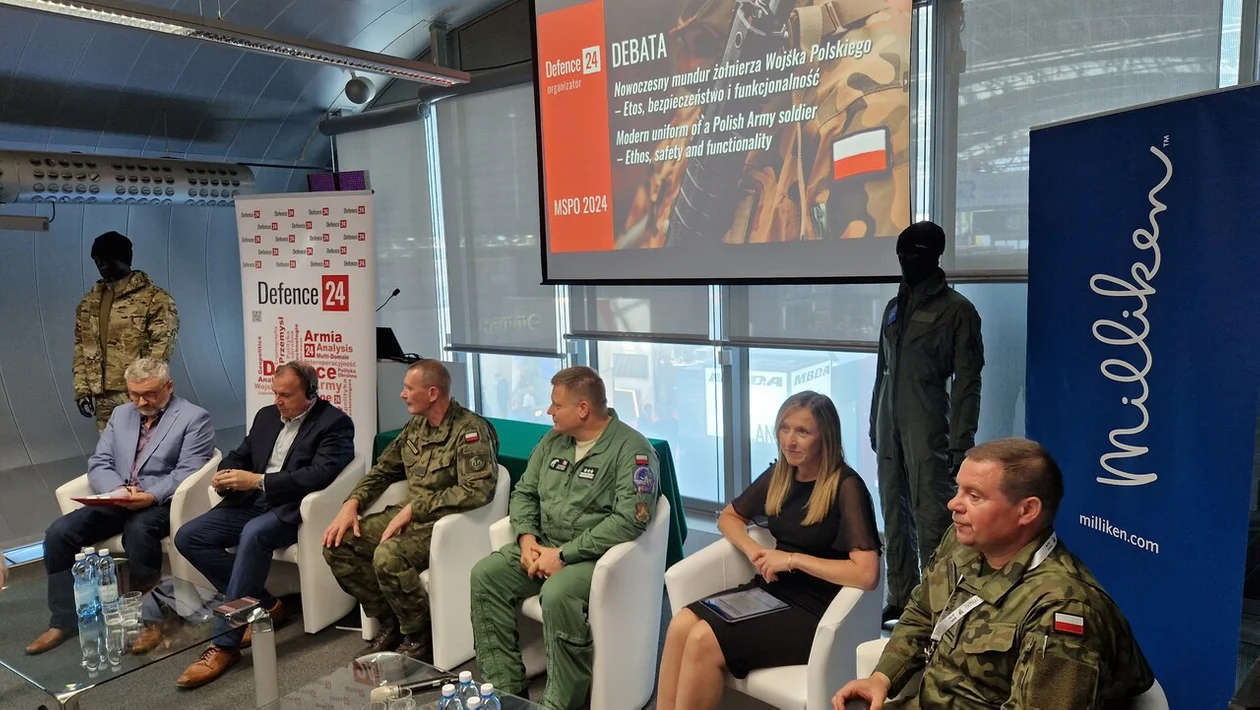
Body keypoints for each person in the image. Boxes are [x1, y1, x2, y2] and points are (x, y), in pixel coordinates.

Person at [834, 439, 1154, 710]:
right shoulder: (962, 542)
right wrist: (882, 678)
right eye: (958, 490)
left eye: (974, 496)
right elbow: (921, 612)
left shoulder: (1063, 608)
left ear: (1027, 510)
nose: (953, 504)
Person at [655, 391, 881, 710]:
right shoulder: (781, 474)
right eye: (784, 428)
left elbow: (867, 573)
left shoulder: (846, 486)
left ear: (825, 437)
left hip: (816, 609)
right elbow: (729, 517)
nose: (790, 440)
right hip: (772, 591)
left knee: (702, 639)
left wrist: (791, 560)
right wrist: (753, 551)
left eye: (802, 432)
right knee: (680, 625)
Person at [470, 366, 658, 710]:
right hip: (543, 544)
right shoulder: (553, 441)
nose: (549, 411)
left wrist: (564, 554)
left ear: (583, 408)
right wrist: (527, 539)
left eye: (557, 405)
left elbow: (628, 521)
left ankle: (562, 702)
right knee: (486, 575)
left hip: (595, 557)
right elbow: (524, 493)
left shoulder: (632, 450)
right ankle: (505, 690)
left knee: (557, 594)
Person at [172, 361, 354, 688]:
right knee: (189, 536)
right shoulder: (267, 416)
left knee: (253, 534)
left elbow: (318, 475)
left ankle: (225, 644)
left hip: (293, 508)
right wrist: (226, 474)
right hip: (248, 502)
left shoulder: (335, 424)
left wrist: (258, 481)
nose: (278, 401)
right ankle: (265, 604)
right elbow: (240, 453)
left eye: (286, 395)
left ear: (311, 393)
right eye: (275, 393)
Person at [25, 358, 214, 655]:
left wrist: (150, 496)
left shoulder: (193, 418)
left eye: (150, 394)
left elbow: (187, 471)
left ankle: (151, 620)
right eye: (134, 394)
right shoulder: (121, 414)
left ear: (169, 386)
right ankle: (63, 620)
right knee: (59, 533)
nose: (141, 402)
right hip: (120, 497)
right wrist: (117, 491)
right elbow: (100, 462)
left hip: (162, 500)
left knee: (138, 532)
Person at [322, 360, 500, 662]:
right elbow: (384, 470)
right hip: (408, 515)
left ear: (432, 393)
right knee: (339, 543)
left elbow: (478, 489)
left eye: (408, 388)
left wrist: (416, 509)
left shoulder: (470, 430)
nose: (402, 394)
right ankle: (390, 620)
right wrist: (352, 503)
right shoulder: (416, 427)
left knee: (387, 555)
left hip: (446, 524)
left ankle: (418, 635)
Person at [871, 221, 984, 622]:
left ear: (934, 256)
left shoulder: (957, 310)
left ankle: (937, 604)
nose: (906, 262)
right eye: (901, 255)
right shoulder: (893, 307)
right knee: (893, 511)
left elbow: (968, 381)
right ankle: (900, 595)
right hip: (889, 425)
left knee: (932, 515)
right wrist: (874, 421)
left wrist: (961, 440)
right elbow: (882, 369)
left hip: (929, 423)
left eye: (914, 254)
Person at [74, 231, 180, 432]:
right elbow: (82, 346)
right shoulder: (89, 303)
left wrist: (147, 387)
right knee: (109, 445)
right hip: (102, 394)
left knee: (144, 443)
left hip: (138, 392)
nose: (101, 265)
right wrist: (82, 389)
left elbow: (161, 347)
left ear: (122, 259)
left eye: (107, 259)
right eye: (97, 261)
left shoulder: (154, 299)